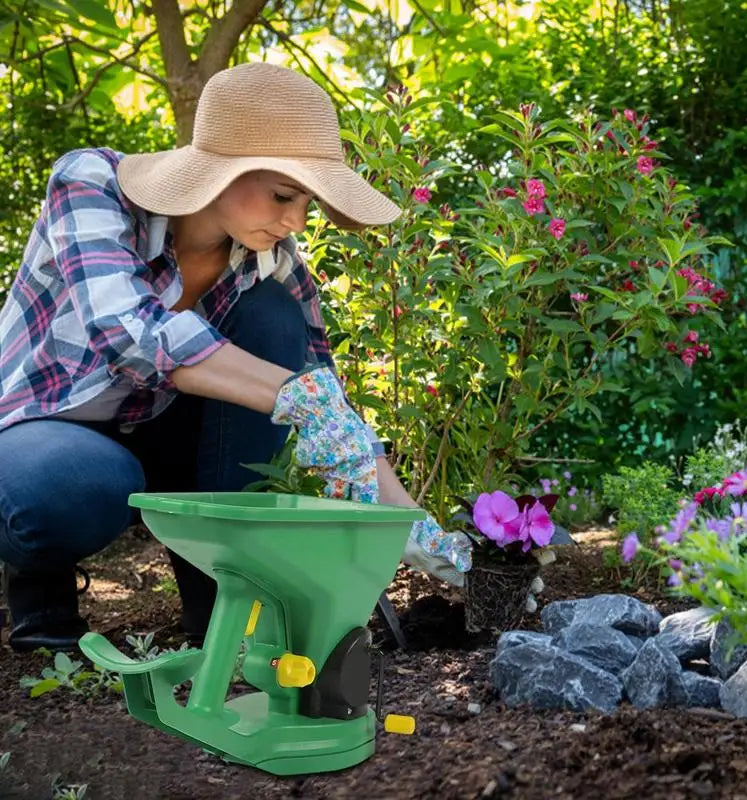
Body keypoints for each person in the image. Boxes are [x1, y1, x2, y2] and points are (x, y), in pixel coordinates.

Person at [0, 62, 471, 653]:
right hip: (42, 430)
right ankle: (42, 602)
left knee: (274, 315)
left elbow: (325, 397)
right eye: (283, 195)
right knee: (78, 485)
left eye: (308, 203)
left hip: (160, 427)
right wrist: (295, 397)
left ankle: (221, 601)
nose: (297, 221)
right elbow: (128, 334)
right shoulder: (93, 184)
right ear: (220, 173)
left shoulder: (269, 261)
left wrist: (409, 523)